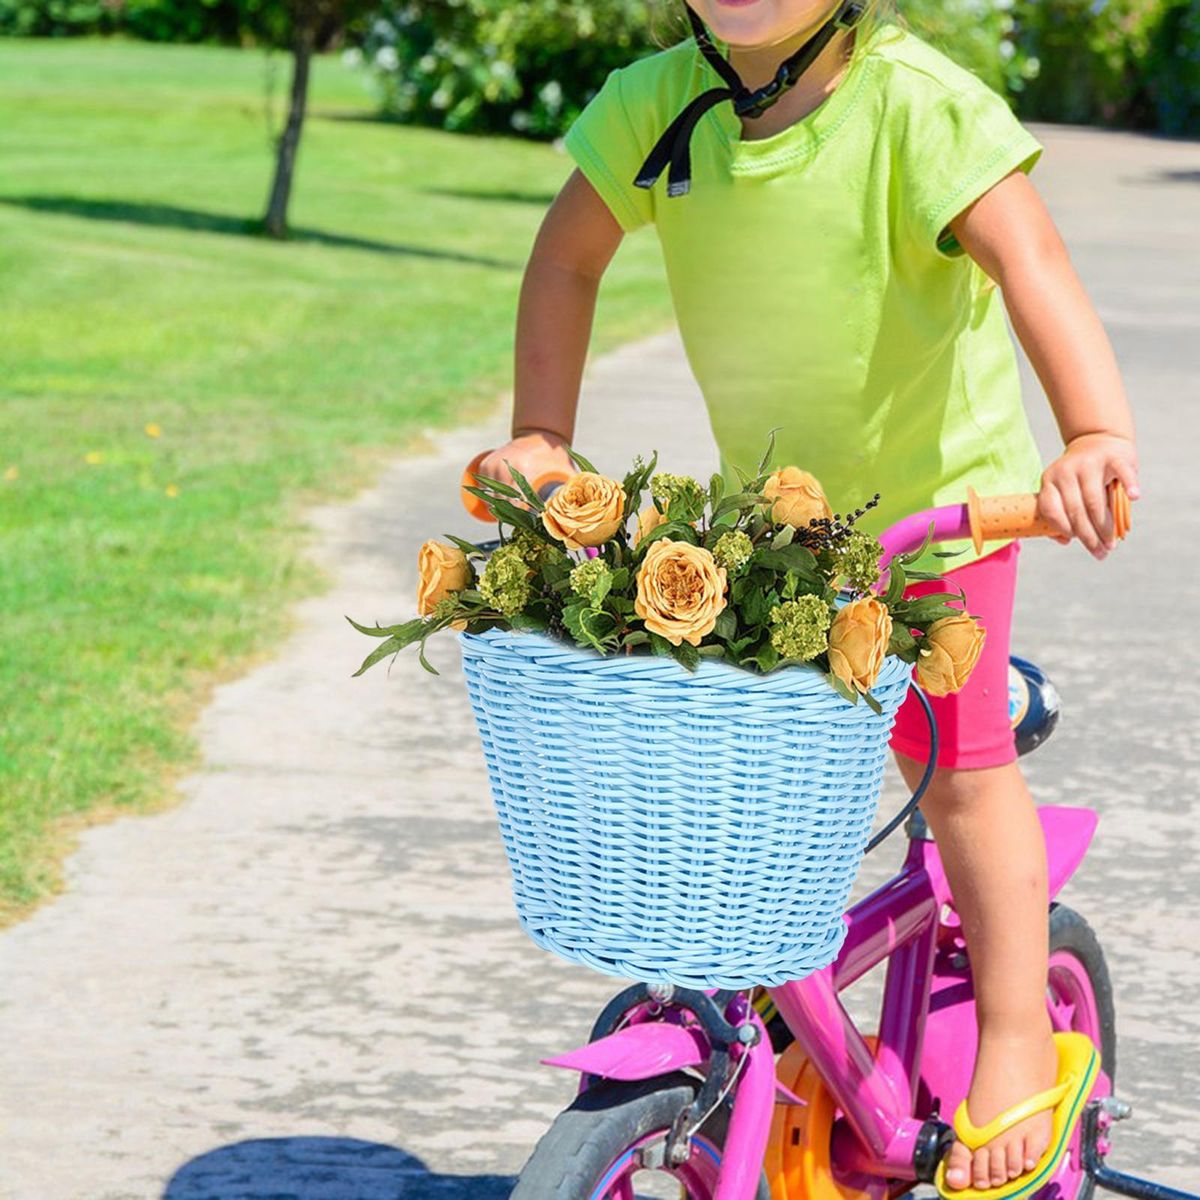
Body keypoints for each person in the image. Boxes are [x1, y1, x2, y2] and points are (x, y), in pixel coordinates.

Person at [477, 0, 1139, 1193]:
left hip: (946, 526)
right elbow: (568, 255)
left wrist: (1091, 432)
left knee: (959, 769)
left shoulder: (915, 106)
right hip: (788, 536)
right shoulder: (654, 99)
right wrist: (541, 433)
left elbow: (1032, 260)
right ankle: (779, 1035)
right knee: (738, 768)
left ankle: (1012, 1034)